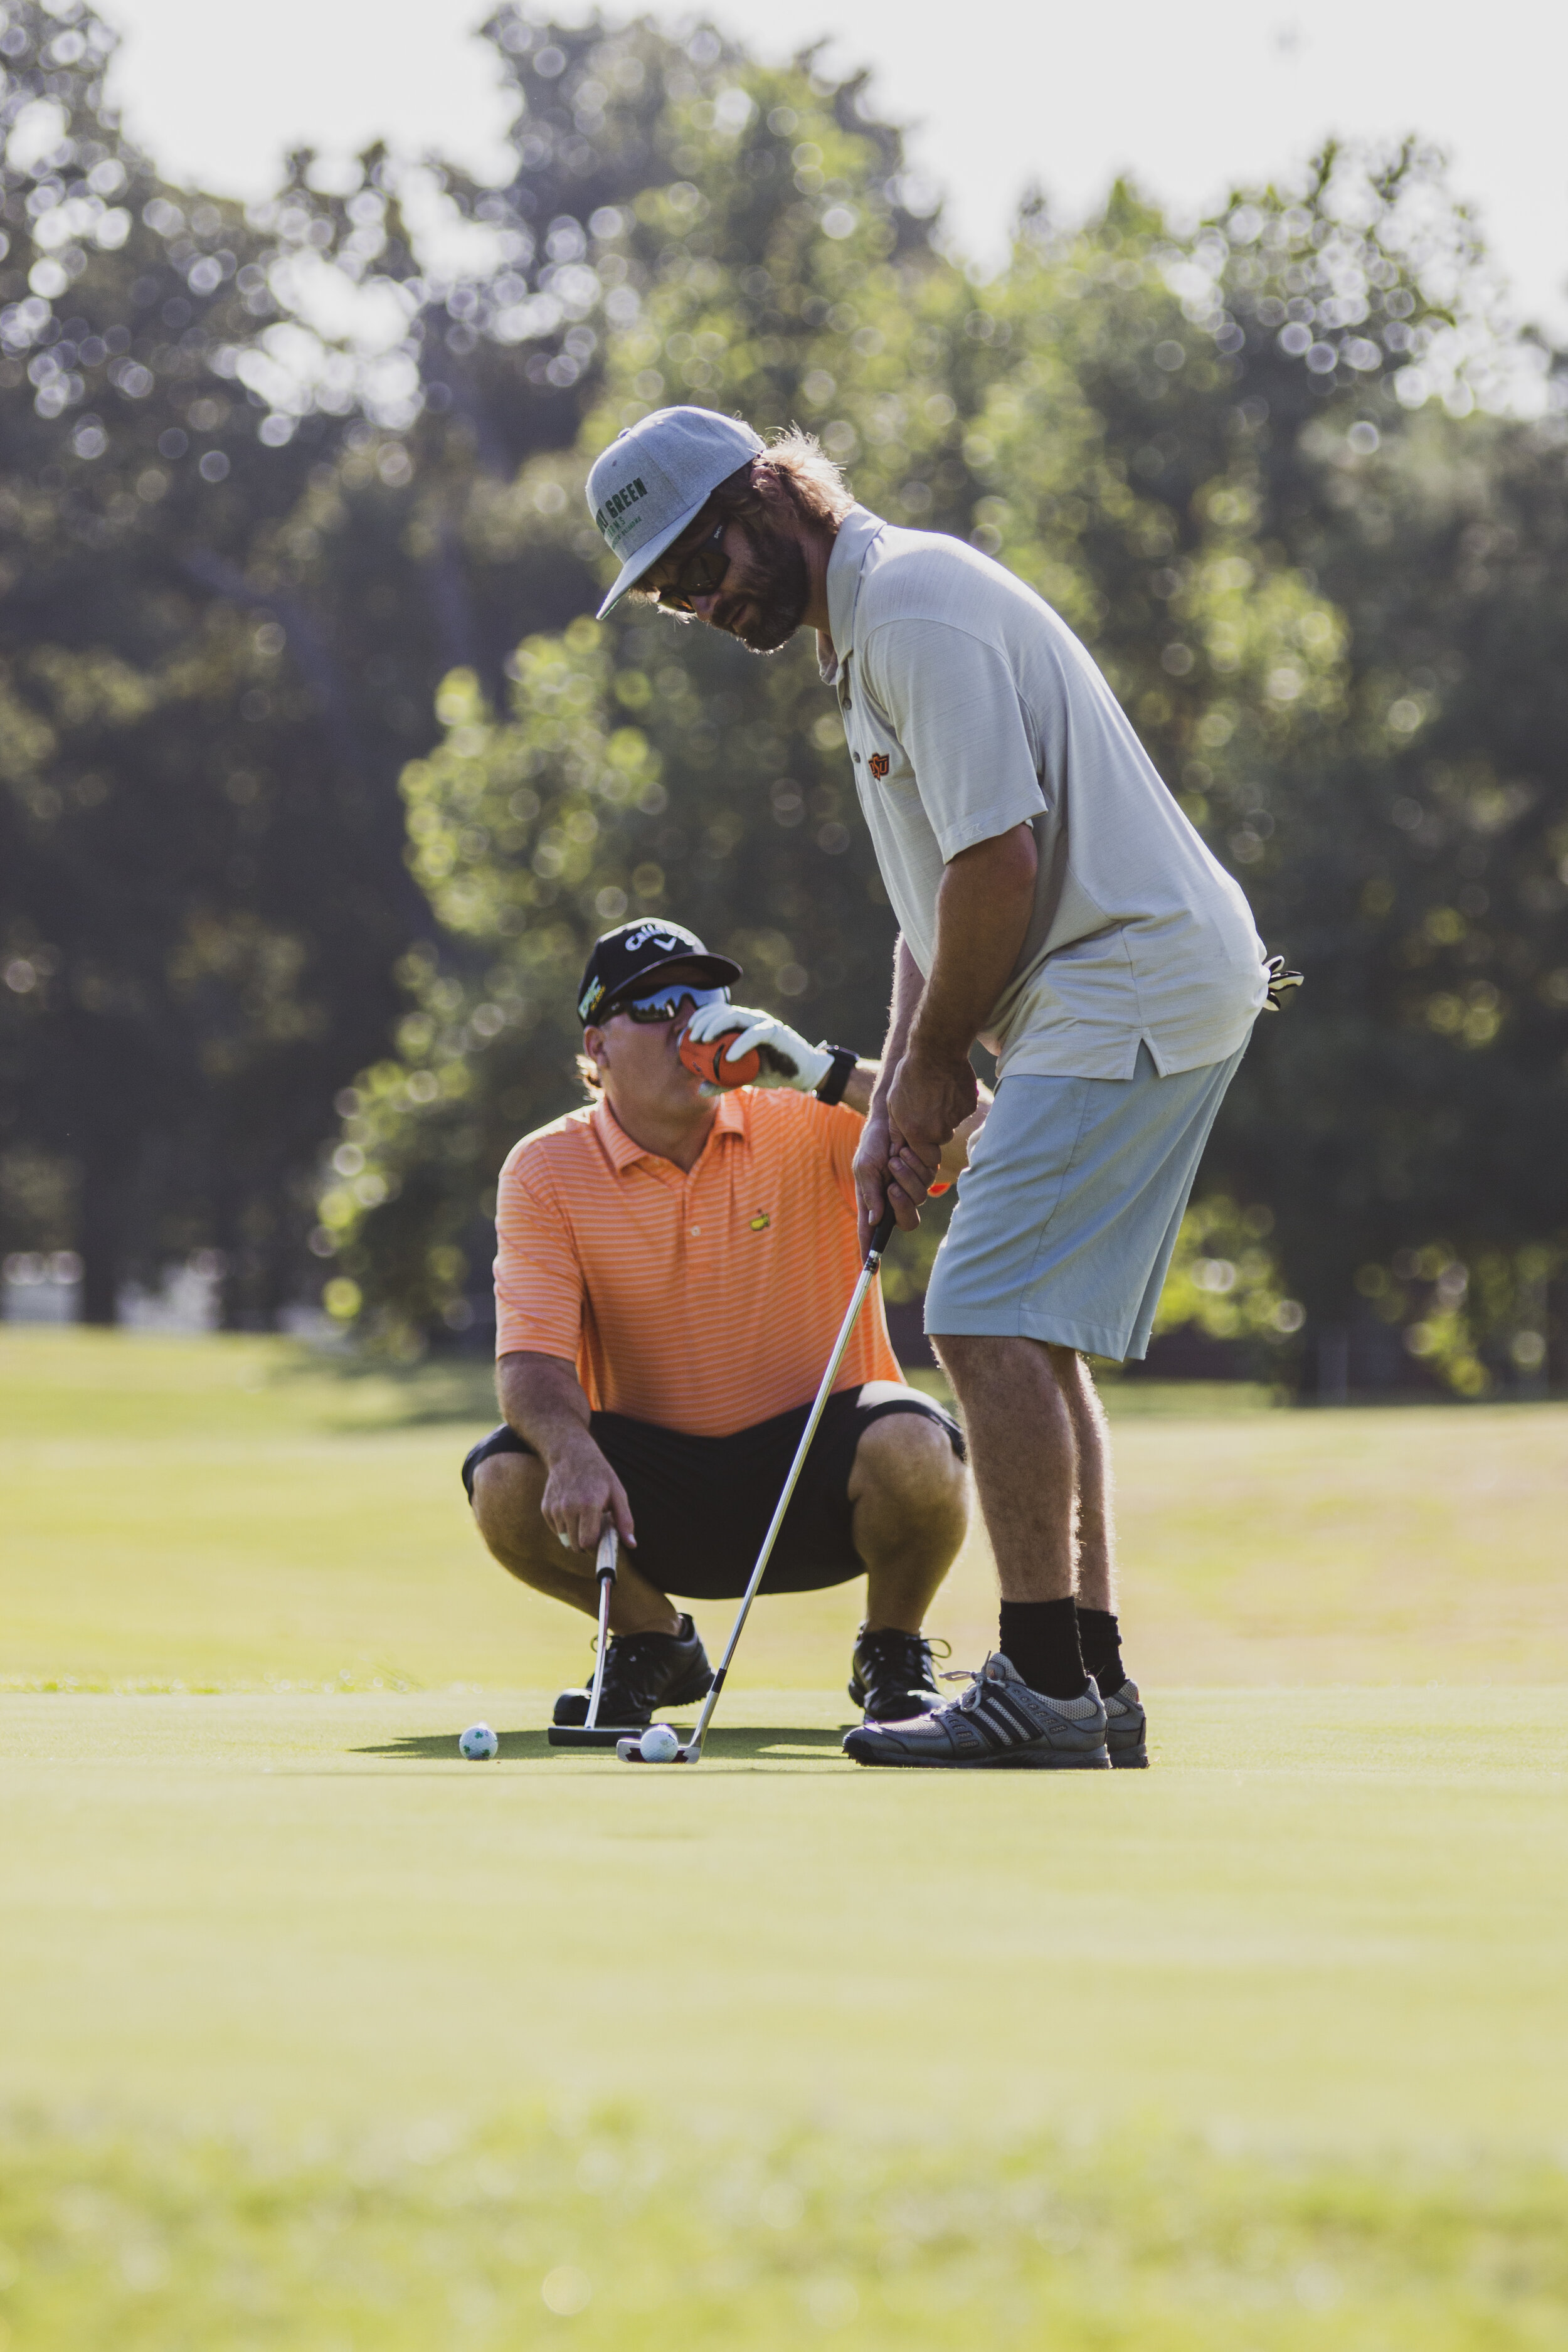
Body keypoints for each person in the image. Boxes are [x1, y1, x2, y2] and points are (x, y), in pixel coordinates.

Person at [581, 406, 1287, 1771]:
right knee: (1031, 1328)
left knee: (978, 1310)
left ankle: (1041, 1685)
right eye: (671, 594)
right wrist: (904, 1075)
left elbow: (999, 867)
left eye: (700, 565)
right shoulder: (865, 638)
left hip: (1123, 974)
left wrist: (939, 1066)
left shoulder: (908, 610)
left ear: (769, 496)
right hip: (1123, 979)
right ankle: (1088, 1676)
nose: (701, 604)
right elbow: (933, 906)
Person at [462, 917, 975, 1732]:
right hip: (647, 1502)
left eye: (703, 1000)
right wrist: (569, 1450)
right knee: (504, 1479)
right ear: (597, 1046)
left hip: (819, 1476)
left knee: (917, 1441)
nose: (687, 1023)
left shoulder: (808, 1112)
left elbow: (993, 1142)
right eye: (655, 1006)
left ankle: (892, 1649)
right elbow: (531, 1360)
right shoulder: (544, 1168)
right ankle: (650, 1640)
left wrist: (822, 1070)